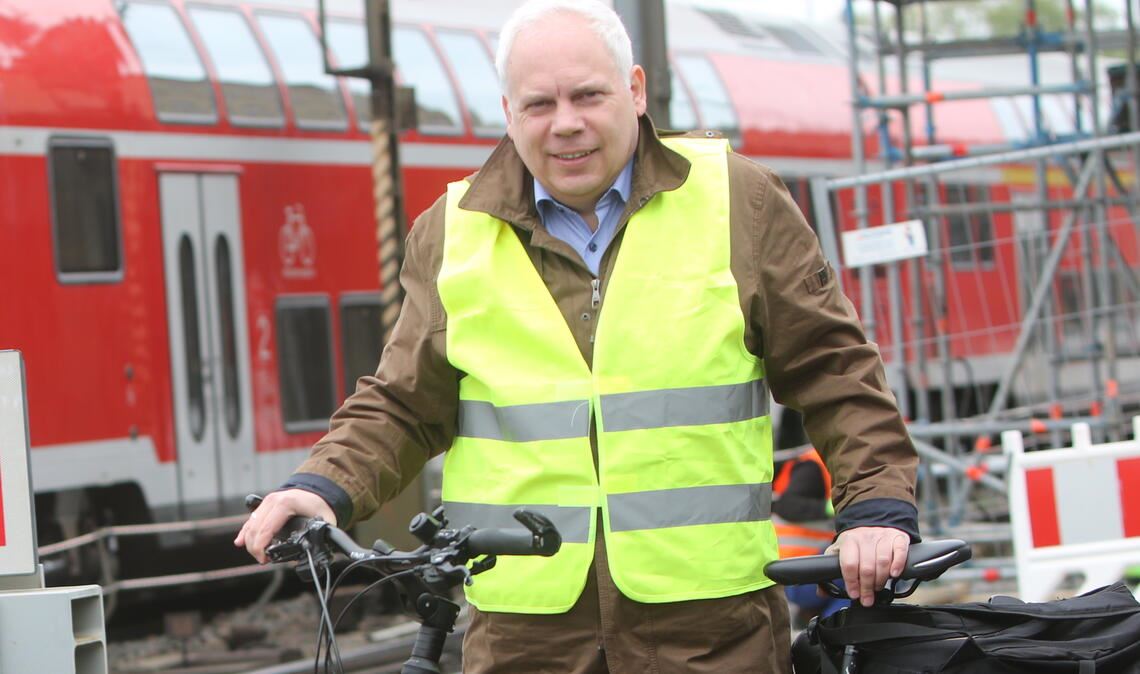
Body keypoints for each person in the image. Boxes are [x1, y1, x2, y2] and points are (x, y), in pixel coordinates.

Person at [236, 1, 920, 671]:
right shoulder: (451, 232)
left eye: (588, 95)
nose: (566, 123)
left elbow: (832, 367)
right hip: (526, 638)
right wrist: (321, 486)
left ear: (636, 91)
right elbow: (403, 403)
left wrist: (875, 509)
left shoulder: (740, 201)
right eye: (539, 104)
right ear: (509, 113)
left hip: (709, 632)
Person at [772, 446, 850, 622]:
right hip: (797, 573)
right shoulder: (812, 465)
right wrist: (832, 508)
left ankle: (833, 626)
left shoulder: (831, 462)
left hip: (807, 570)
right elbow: (788, 506)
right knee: (861, 571)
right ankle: (835, 628)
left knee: (863, 578)